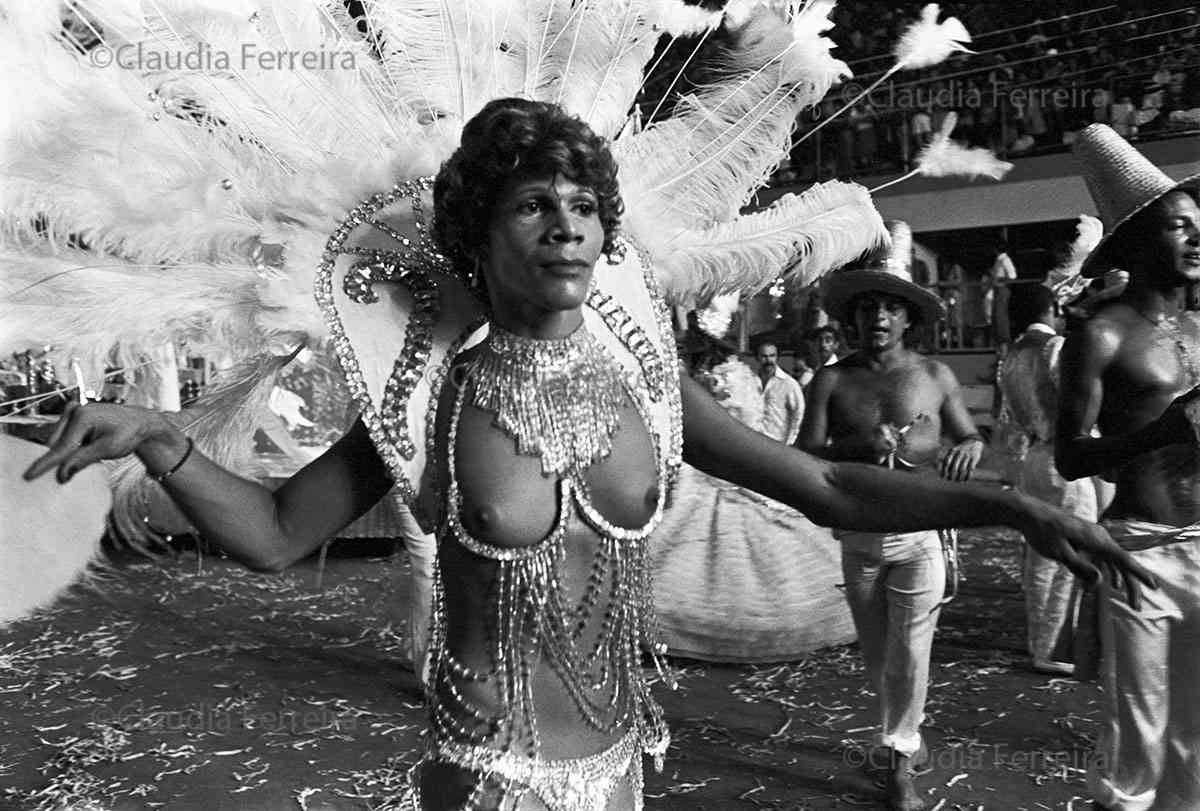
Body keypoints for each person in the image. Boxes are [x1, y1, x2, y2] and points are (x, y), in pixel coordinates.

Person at [24, 101, 1150, 811]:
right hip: (487, 778)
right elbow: (274, 535)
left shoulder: (650, 379)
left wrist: (1014, 508)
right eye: (529, 204)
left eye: (580, 204)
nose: (563, 224)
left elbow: (825, 483)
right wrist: (166, 442)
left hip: (624, 763)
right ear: (475, 236)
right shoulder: (424, 390)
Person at [799, 238, 988, 811]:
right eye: (866, 307)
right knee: (881, 659)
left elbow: (971, 434)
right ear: (853, 317)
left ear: (908, 318)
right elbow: (803, 455)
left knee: (911, 652)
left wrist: (971, 448)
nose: (877, 316)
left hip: (918, 536)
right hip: (858, 538)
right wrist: (857, 445)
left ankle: (899, 759)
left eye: (890, 307)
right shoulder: (830, 381)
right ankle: (902, 733)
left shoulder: (934, 375)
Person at [1055, 123, 1200, 811]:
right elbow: (1070, 454)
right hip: (1138, 546)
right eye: (1179, 227)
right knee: (1137, 731)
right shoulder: (1101, 333)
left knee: (1197, 731)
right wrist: (1161, 431)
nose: (1197, 239)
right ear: (1139, 241)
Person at [653, 333, 855, 662]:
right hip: (703, 467)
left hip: (723, 466)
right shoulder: (728, 375)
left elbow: (735, 421)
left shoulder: (727, 377)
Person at [997, 284, 1110, 675]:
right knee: (1072, 552)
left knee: (1041, 554)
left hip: (1033, 457)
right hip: (1065, 458)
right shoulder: (1055, 348)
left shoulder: (1011, 356)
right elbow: (1078, 404)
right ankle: (1062, 648)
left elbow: (1010, 421)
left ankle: (1042, 645)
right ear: (1051, 309)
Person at [755, 340, 804, 444]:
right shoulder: (750, 381)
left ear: (777, 357)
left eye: (772, 356)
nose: (768, 360)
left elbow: (799, 415)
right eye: (764, 356)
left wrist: (791, 442)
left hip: (779, 444)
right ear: (757, 358)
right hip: (754, 443)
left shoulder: (789, 384)